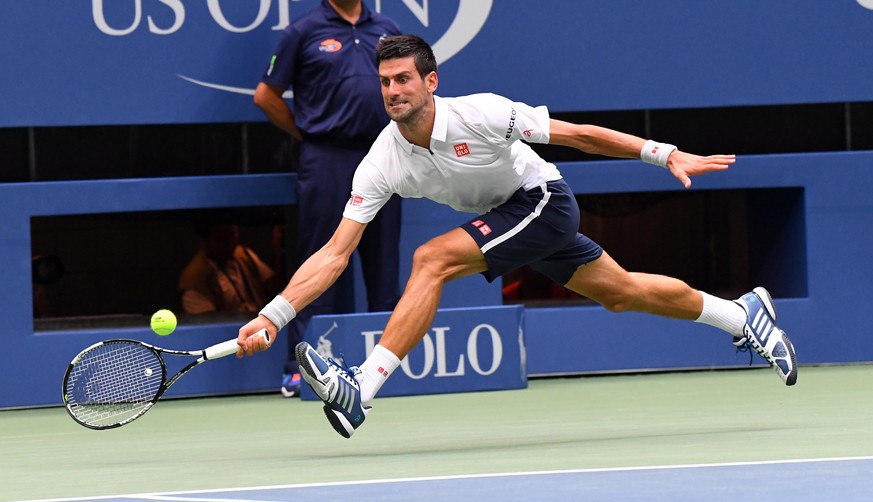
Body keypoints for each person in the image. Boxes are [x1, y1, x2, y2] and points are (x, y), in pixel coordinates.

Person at [237, 35, 798, 438]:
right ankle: (741, 315)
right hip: (506, 218)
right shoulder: (381, 161)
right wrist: (273, 315)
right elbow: (335, 254)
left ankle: (363, 386)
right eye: (385, 82)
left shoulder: (482, 113)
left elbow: (576, 135)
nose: (393, 91)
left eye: (404, 78)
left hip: (543, 202)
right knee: (623, 292)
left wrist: (664, 153)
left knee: (431, 258)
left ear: (431, 81)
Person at [253, 0, 403, 397]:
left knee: (384, 265)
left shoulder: (386, 27)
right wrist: (309, 134)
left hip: (385, 154)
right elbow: (266, 96)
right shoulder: (303, 31)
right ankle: (300, 369)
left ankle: (381, 369)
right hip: (325, 159)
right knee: (319, 258)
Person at [179, 223, 280, 315]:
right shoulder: (193, 281)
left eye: (233, 235)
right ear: (205, 242)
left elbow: (275, 286)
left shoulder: (243, 254)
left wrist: (277, 250)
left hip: (261, 321)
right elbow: (210, 326)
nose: (231, 244)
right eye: (222, 240)